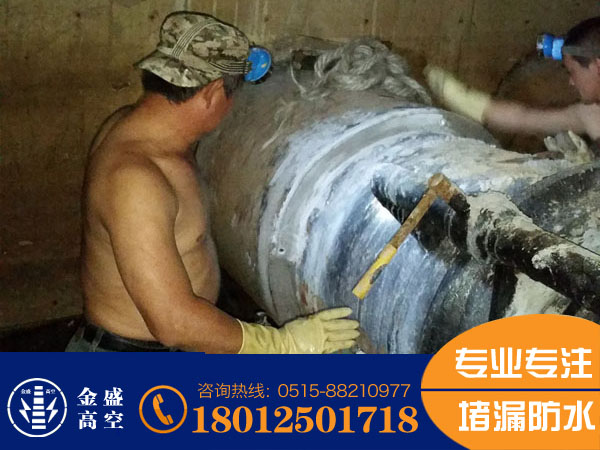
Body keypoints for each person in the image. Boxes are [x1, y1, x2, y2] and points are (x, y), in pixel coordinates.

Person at [66, 12, 359, 353]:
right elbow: (173, 323)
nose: (231, 107)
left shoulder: (135, 127)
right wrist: (282, 343)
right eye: (231, 96)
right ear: (212, 92)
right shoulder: (135, 181)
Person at [425, 16, 600, 158]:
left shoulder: (591, 115)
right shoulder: (589, 114)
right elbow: (523, 118)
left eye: (572, 72)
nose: (571, 82)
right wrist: (456, 95)